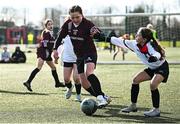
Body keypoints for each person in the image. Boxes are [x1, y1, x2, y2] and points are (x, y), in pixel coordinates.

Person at [53, 5, 111, 107]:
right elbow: (59, 37)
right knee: (84, 83)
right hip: (78, 55)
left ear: (82, 15)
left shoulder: (88, 24)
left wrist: (97, 34)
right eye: (72, 17)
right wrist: (55, 50)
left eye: (77, 17)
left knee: (89, 72)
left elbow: (99, 34)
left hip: (90, 52)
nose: (75, 19)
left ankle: (100, 98)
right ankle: (103, 96)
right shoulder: (68, 25)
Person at [104, 27, 169, 117]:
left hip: (162, 67)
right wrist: (102, 37)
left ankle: (156, 110)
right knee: (135, 80)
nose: (136, 35)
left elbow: (156, 54)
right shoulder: (134, 44)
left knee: (153, 84)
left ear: (144, 39)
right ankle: (133, 106)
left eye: (138, 35)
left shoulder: (150, 45)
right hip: (151, 68)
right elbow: (118, 41)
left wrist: (154, 57)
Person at [23, 19, 65, 92]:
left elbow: (51, 44)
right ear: (46, 26)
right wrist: (50, 52)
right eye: (49, 24)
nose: (51, 26)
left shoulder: (51, 33)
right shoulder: (46, 32)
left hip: (47, 52)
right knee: (39, 67)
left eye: (51, 24)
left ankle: (57, 83)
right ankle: (28, 82)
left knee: (53, 68)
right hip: (43, 52)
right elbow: (45, 44)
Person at [57, 35, 82, 102]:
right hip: (67, 57)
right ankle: (70, 87)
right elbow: (58, 42)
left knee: (76, 78)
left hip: (78, 57)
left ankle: (78, 95)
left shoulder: (79, 29)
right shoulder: (64, 31)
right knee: (66, 80)